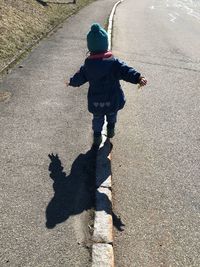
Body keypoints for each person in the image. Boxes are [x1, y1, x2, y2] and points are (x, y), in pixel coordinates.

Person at [66, 23, 147, 147]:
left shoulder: (88, 66)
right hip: (113, 100)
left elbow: (79, 77)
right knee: (112, 115)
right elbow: (126, 71)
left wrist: (71, 82)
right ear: (105, 44)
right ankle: (110, 129)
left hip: (96, 102)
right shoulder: (114, 63)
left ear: (90, 47)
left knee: (97, 119)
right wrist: (138, 77)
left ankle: (97, 137)